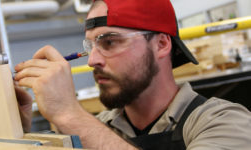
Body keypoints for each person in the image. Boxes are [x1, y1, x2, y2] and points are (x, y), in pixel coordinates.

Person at [14, 0, 251, 149]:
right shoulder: (98, 128)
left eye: (109, 42)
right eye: (90, 47)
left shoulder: (224, 123)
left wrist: (69, 115)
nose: (93, 60)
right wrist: (18, 132)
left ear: (160, 44)